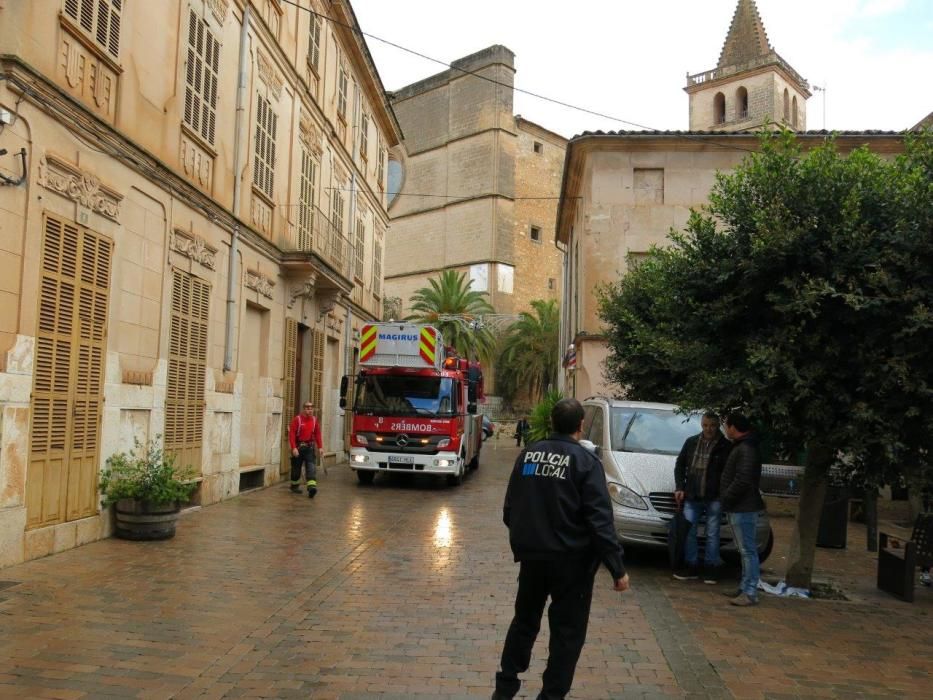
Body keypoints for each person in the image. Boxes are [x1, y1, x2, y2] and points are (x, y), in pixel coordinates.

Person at [493, 398, 630, 700]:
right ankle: (551, 695)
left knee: (524, 622)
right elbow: (599, 519)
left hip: (533, 559)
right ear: (581, 426)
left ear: (552, 422)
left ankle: (505, 686)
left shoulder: (528, 455)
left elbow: (509, 508)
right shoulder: (585, 463)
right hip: (573, 565)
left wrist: (528, 537)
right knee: (567, 635)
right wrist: (617, 568)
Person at [673, 412, 733, 584]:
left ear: (717, 426)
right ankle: (691, 564)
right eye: (706, 425)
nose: (709, 429)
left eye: (712, 425)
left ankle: (710, 567)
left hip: (714, 496)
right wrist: (680, 486)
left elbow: (728, 472)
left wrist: (723, 492)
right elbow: (680, 464)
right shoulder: (691, 442)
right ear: (701, 424)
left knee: (712, 533)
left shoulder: (724, 446)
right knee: (689, 531)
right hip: (693, 494)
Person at [719, 412, 765, 606]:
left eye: (726, 425)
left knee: (748, 550)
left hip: (743, 507)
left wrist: (727, 497)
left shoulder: (745, 449)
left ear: (733, 427)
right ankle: (744, 586)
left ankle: (750, 591)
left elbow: (743, 479)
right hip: (740, 506)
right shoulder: (744, 446)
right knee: (745, 550)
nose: (725, 429)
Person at [288, 401, 323, 498]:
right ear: (304, 409)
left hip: (309, 448)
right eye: (307, 408)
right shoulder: (297, 420)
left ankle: (311, 488)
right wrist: (294, 448)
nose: (310, 410)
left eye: (311, 408)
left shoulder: (315, 421)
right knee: (296, 470)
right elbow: (292, 434)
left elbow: (318, 434)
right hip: (298, 448)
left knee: (311, 468)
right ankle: (294, 486)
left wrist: (320, 447)